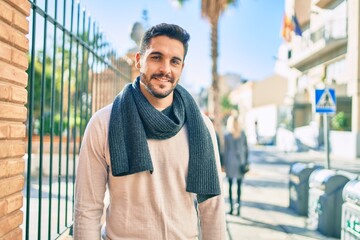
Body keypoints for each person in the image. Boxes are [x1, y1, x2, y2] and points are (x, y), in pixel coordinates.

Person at [74, 23, 226, 239]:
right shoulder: (103, 123)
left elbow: (213, 209)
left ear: (182, 68)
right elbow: (87, 208)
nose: (166, 69)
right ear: (139, 60)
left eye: (175, 61)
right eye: (156, 57)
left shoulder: (201, 127)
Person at [223, 114, 249, 216]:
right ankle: (238, 208)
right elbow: (246, 149)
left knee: (230, 186)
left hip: (231, 163)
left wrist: (224, 164)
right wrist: (246, 161)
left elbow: (225, 151)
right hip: (239, 163)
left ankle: (231, 208)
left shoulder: (228, 135)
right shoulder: (241, 134)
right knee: (238, 186)